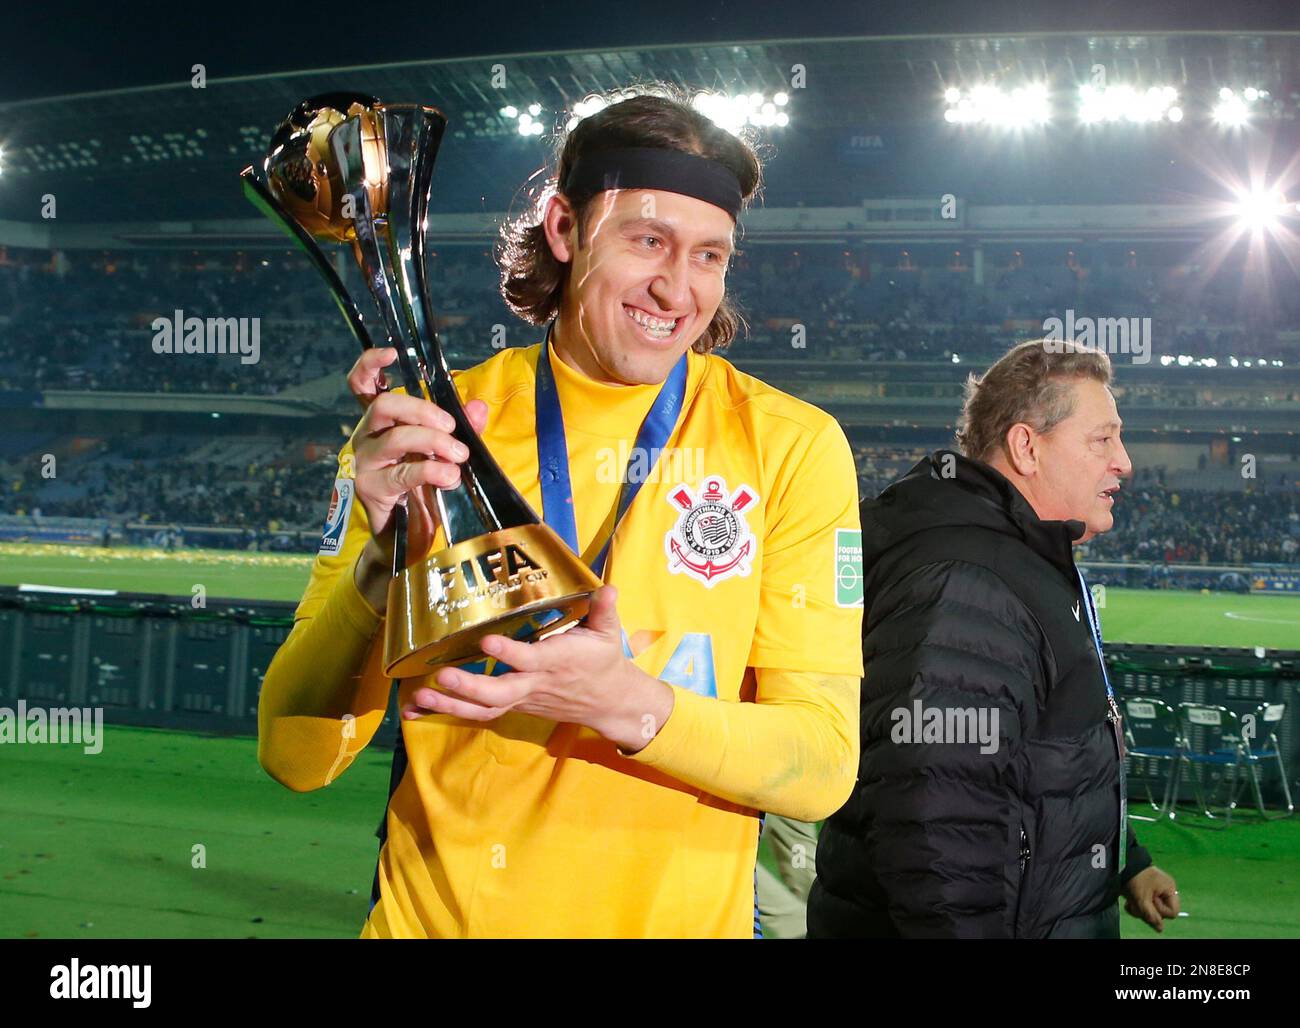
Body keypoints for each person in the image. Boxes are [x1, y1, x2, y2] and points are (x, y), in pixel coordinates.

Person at [257, 86, 864, 938]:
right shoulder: (436, 431)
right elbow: (296, 757)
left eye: (709, 256)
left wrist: (626, 704)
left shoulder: (792, 446)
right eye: (648, 241)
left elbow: (823, 765)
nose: (676, 288)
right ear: (564, 228)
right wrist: (378, 573)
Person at [808, 338, 1180, 938]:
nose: (1124, 462)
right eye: (1102, 439)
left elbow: (1038, 761)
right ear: (1026, 447)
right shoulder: (968, 581)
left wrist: (1124, 861)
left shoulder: (1009, 555)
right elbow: (937, 828)